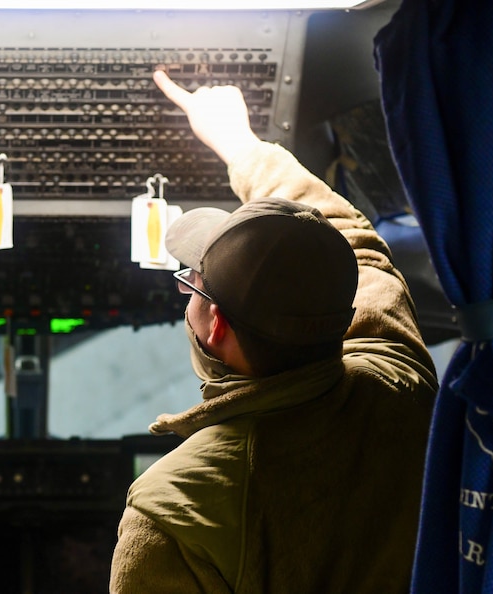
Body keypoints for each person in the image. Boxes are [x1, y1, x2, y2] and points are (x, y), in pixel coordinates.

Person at [108, 70, 438, 593]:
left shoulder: (175, 507)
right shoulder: (398, 382)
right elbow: (355, 243)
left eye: (194, 283)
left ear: (215, 324)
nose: (189, 290)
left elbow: (354, 244)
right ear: (343, 309)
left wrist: (234, 141)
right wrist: (240, 143)